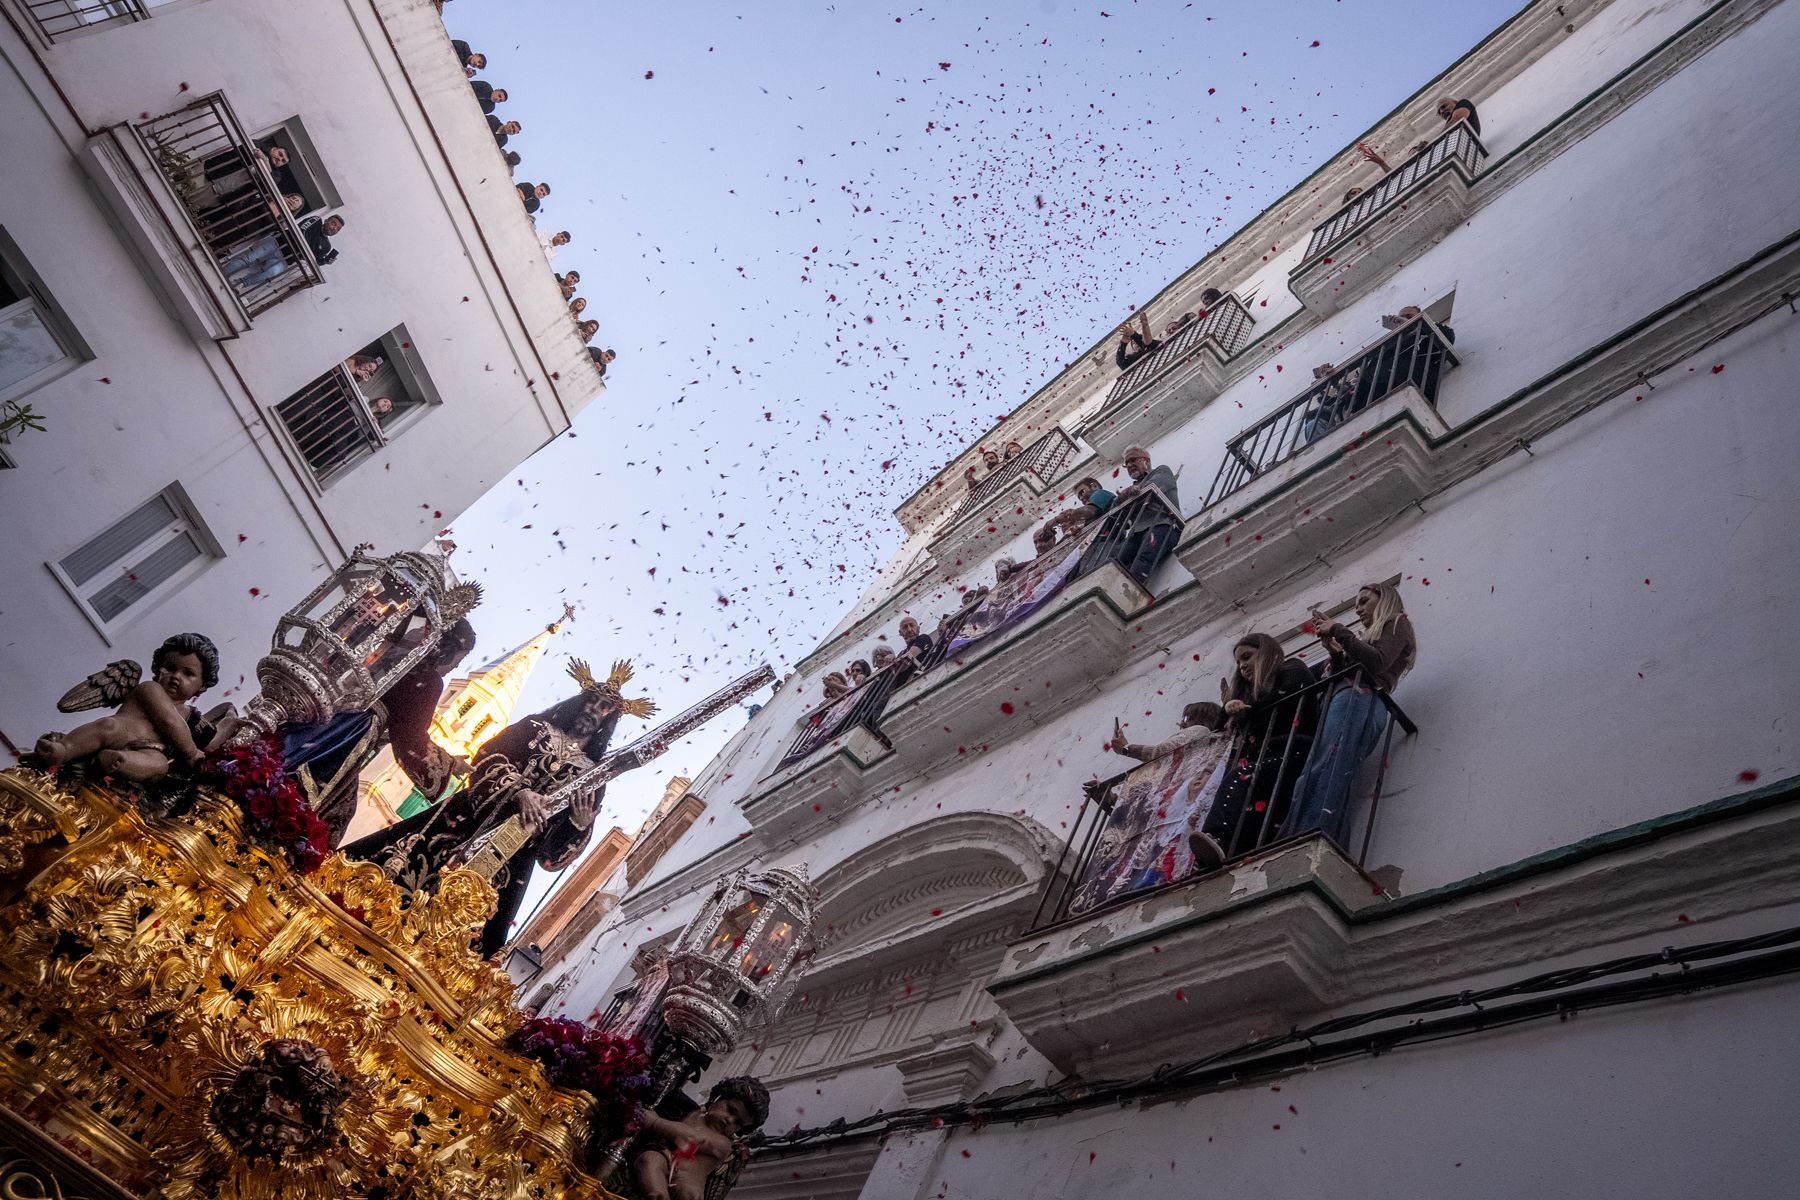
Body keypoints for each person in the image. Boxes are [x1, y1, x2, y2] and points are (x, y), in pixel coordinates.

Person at [342, 658, 653, 956]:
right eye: (592, 700)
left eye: (604, 708)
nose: (594, 710)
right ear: (579, 700)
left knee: (459, 943)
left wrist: (578, 825)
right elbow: (488, 755)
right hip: (464, 825)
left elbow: (553, 857)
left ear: (609, 720)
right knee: (387, 890)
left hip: (509, 862)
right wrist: (519, 792)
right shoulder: (534, 728)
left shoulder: (593, 777)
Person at [1285, 584, 1416, 848]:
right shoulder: (1367, 635)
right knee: (1323, 767)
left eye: (1365, 601)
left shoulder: (1397, 621)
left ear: (1386, 600)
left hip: (1360, 699)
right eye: (1357, 603)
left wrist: (1337, 629)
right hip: (1349, 698)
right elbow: (1343, 672)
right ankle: (1307, 833)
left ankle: (1310, 833)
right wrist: (1334, 651)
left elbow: (1376, 662)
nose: (1358, 608)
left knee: (1330, 766)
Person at [1196, 633, 1321, 859]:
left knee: (1239, 777)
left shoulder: (1292, 668)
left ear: (1265, 653)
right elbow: (1217, 732)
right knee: (1251, 810)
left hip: (1292, 752)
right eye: (1239, 662)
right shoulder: (1250, 696)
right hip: (1265, 758)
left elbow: (1290, 693)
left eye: (1247, 656)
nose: (1242, 665)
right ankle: (1224, 855)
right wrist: (1225, 712)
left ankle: (1216, 837)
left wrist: (1247, 709)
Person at [33, 633, 221, 783]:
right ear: (159, 668)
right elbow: (169, 722)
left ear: (202, 685)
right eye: (171, 668)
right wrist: (192, 753)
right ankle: (64, 749)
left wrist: (232, 722)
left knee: (159, 765)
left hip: (150, 748)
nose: (176, 676)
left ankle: (118, 761)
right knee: (107, 726)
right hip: (121, 732)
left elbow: (212, 738)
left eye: (188, 673)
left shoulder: (190, 716)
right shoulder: (150, 688)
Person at [631, 1076, 769, 1200]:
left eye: (739, 1123)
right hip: (664, 1158)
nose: (730, 1120)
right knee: (648, 1160)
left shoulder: (723, 1144)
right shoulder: (692, 1112)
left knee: (688, 1194)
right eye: (731, 1110)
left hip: (686, 1181)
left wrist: (655, 1122)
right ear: (717, 1097)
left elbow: (690, 1139)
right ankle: (658, 1196)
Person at [1085, 446, 1180, 583]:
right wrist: (1125, 496)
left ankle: (1123, 593)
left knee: (1143, 561)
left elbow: (1153, 488)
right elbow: (1115, 510)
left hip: (1161, 525)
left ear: (1146, 460)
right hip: (1136, 534)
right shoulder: (1132, 488)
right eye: (1126, 464)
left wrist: (1129, 499)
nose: (1129, 465)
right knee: (1112, 560)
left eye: (1133, 460)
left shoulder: (1161, 470)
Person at [1039, 476, 1115, 545]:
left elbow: (1089, 511)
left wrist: (1056, 520)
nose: (1081, 498)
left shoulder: (1100, 493)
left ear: (1094, 486)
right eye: (1079, 498)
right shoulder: (1095, 510)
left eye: (1082, 492)